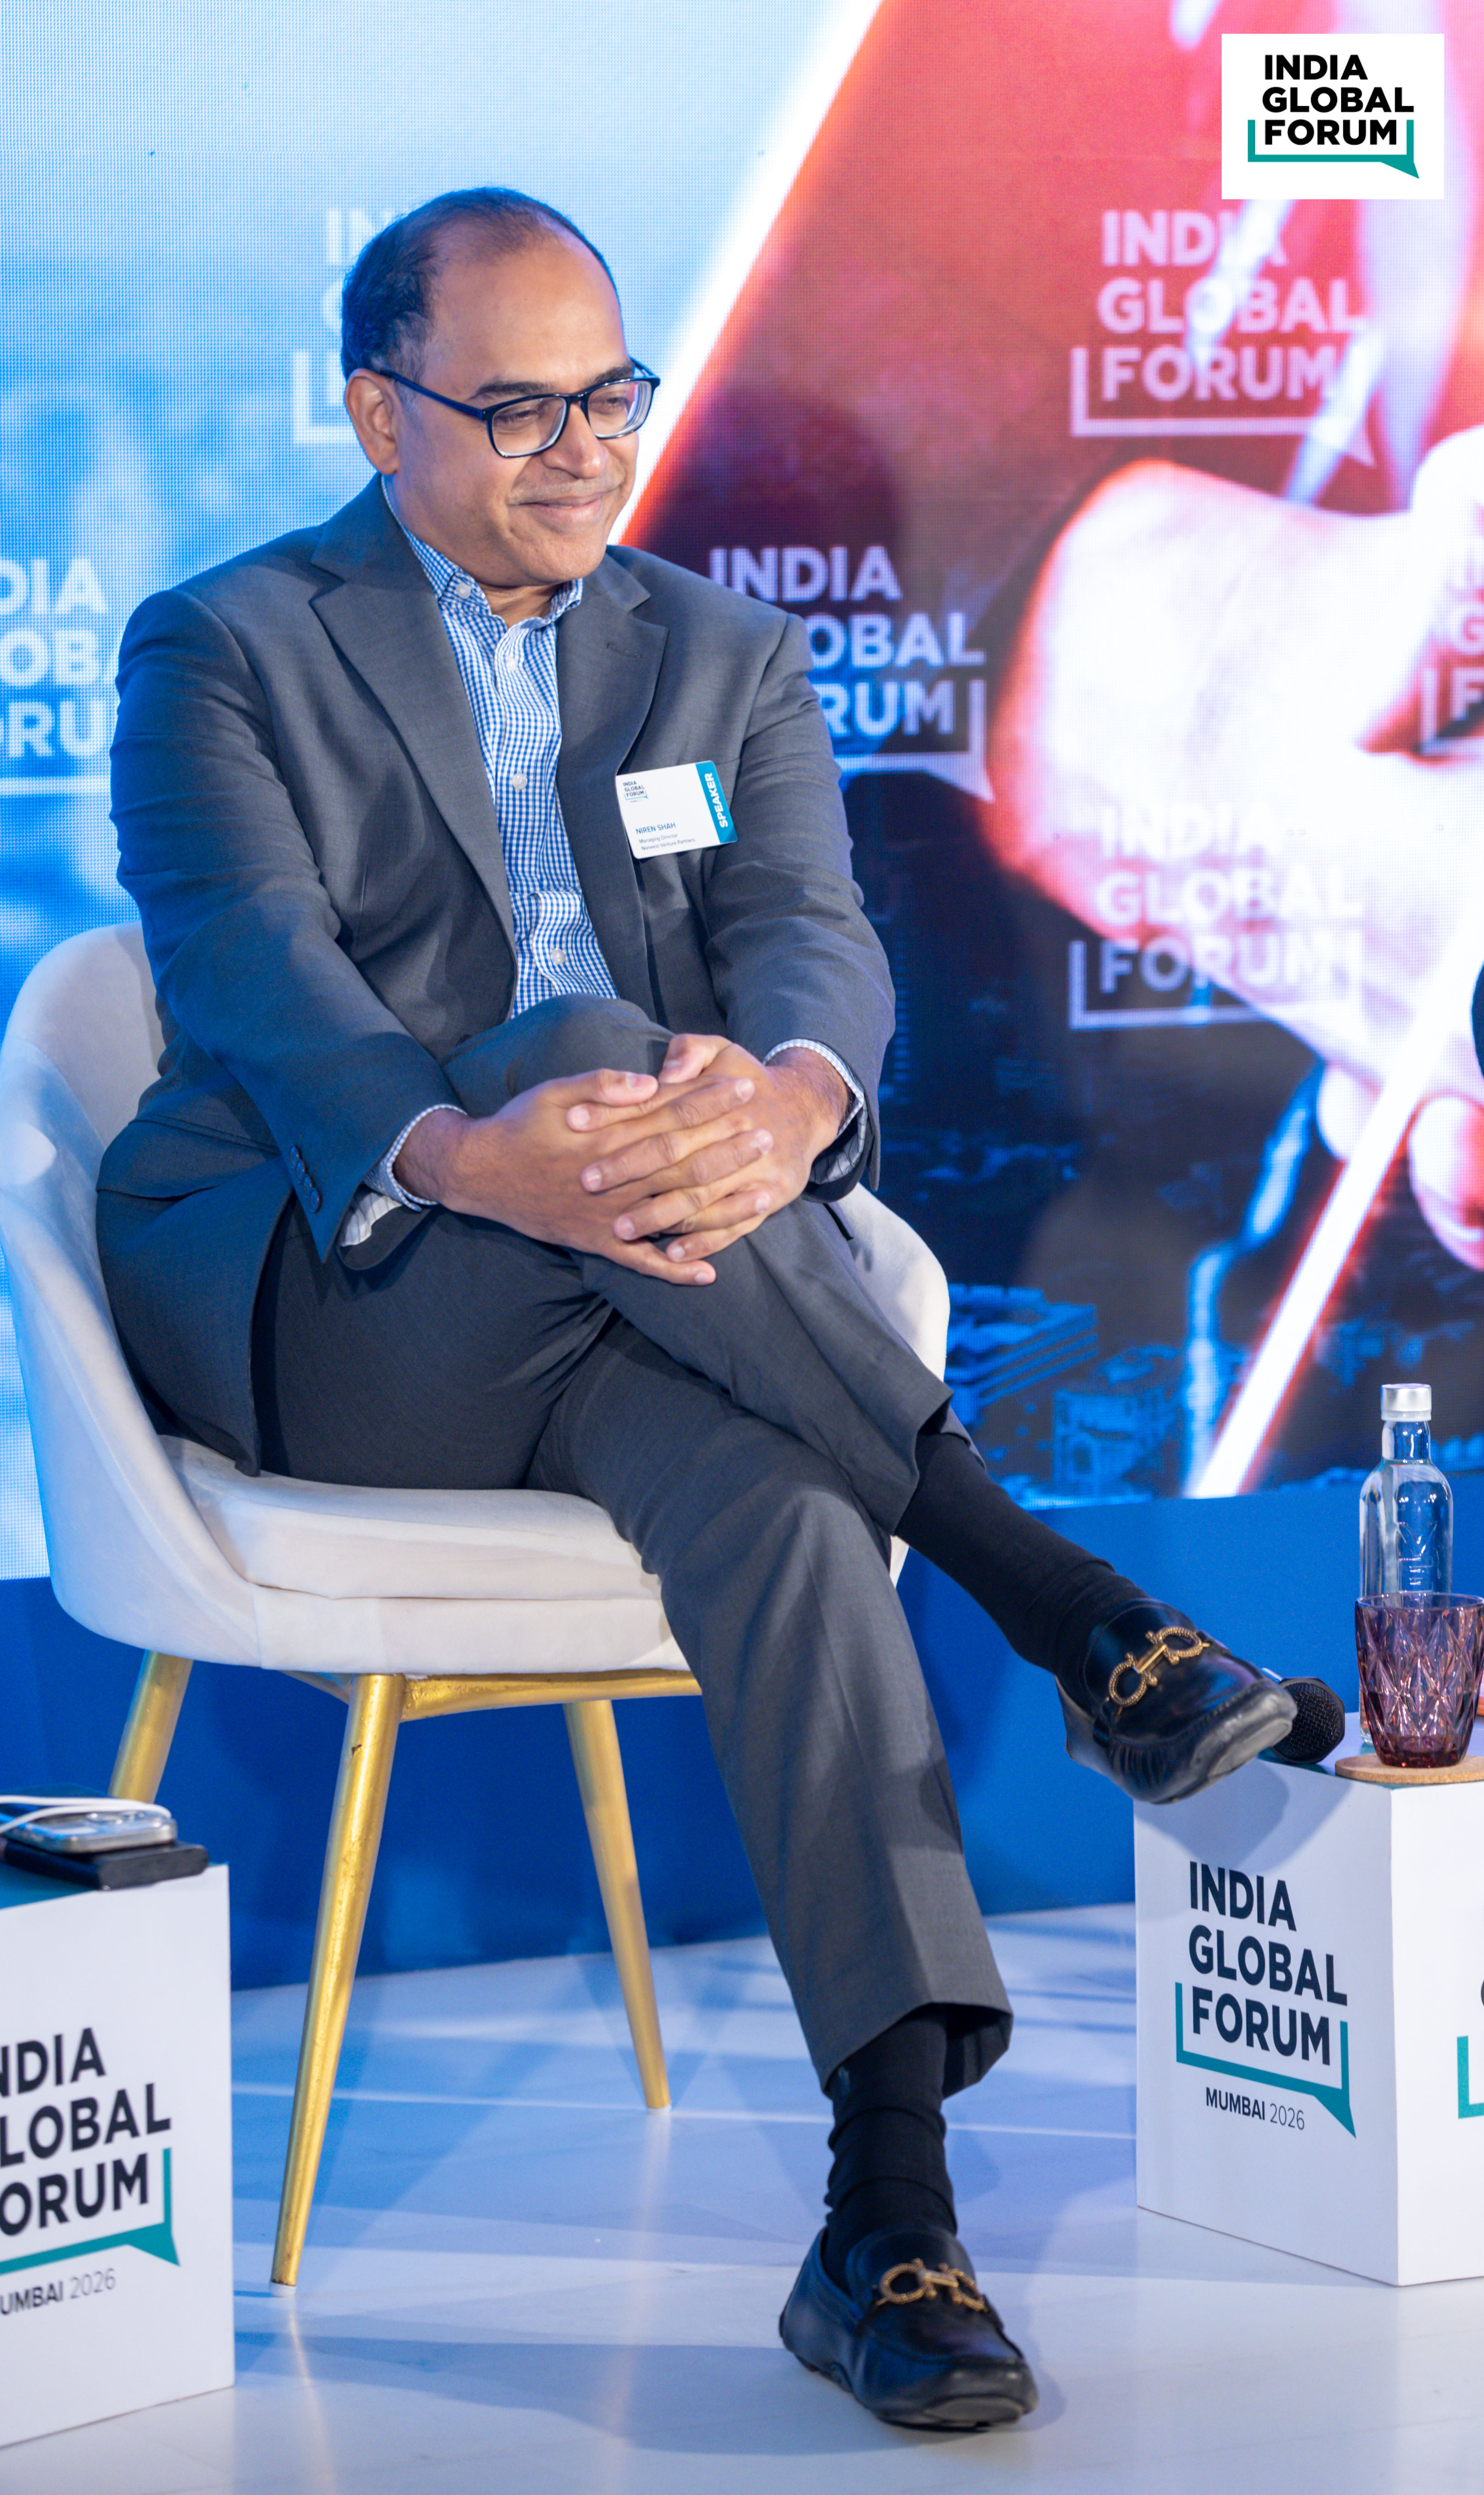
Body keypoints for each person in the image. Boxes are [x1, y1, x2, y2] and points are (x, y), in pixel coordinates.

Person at [96, 188, 1297, 2433]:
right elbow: (252, 979)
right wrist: (487, 1148)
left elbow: (809, 937)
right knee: (583, 1047)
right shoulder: (225, 644)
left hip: (661, 1299)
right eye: (517, 409)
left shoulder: (721, 652)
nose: (582, 452)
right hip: (351, 1290)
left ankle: (888, 2219)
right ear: (376, 412)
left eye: (611, 398)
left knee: (781, 1502)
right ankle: (1054, 1595)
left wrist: (790, 1102)